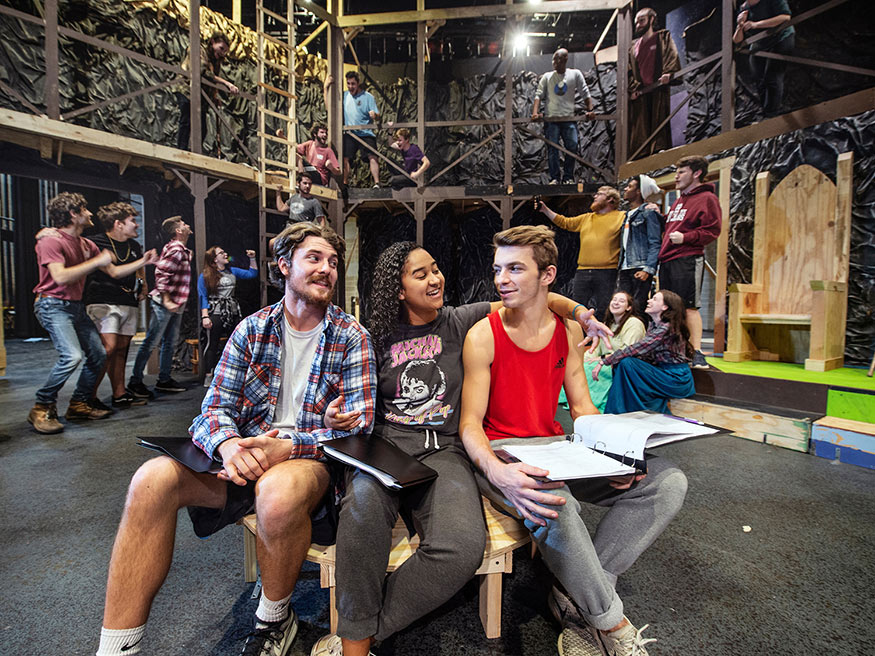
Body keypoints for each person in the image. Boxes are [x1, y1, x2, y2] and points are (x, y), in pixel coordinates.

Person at [311, 241, 611, 656]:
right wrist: (332, 417)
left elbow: (540, 296)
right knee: (361, 513)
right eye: (421, 274)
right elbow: (339, 396)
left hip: (444, 451)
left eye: (436, 269)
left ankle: (366, 631)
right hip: (385, 448)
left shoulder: (458, 319)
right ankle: (355, 647)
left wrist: (580, 313)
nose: (436, 279)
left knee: (461, 546)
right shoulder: (373, 336)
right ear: (397, 289)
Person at [95, 222, 377, 656]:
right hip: (241, 459)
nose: (327, 269)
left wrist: (289, 445)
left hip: (307, 464)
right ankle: (117, 648)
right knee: (150, 480)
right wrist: (228, 445)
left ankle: (273, 620)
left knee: (277, 493)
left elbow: (361, 427)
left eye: (334, 262)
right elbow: (212, 410)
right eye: (315, 258)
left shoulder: (351, 336)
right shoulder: (252, 330)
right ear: (284, 266)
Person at [459, 225, 687, 656]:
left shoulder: (566, 334)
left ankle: (574, 596)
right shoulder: (483, 335)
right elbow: (470, 423)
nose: (501, 279)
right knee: (553, 501)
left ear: (547, 275)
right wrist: (495, 470)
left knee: (667, 481)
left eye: (514, 269)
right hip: (504, 456)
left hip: (557, 449)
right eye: (498, 269)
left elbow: (582, 408)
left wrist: (618, 458)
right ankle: (610, 623)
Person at [28, 193, 157, 434]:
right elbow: (60, 276)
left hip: (75, 307)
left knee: (99, 355)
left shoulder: (87, 245)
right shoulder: (50, 241)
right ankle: (42, 405)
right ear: (73, 214)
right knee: (72, 356)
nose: (90, 214)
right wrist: (96, 262)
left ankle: (79, 403)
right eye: (84, 209)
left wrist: (143, 263)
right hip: (52, 304)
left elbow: (115, 272)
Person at [84, 202, 153, 409]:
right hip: (103, 302)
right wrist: (144, 262)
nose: (136, 225)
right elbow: (113, 272)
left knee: (122, 349)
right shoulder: (96, 243)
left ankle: (120, 393)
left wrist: (143, 286)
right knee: (107, 349)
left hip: (127, 301)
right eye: (132, 221)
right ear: (118, 224)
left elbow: (138, 270)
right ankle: (88, 397)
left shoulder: (134, 246)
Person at [658, 155, 722, 369]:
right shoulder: (679, 200)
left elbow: (713, 230)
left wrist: (686, 237)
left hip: (688, 257)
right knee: (670, 307)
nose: (676, 176)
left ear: (696, 174)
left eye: (682, 171)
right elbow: (675, 224)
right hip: (667, 259)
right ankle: (673, 348)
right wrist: (660, 216)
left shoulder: (707, 199)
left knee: (690, 306)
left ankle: (696, 352)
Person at [594, 290, 695, 414]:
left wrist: (604, 361)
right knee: (624, 363)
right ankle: (621, 411)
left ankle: (620, 411)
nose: (649, 301)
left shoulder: (666, 328)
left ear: (665, 307)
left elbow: (636, 348)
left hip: (675, 379)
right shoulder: (654, 325)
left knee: (627, 363)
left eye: (654, 299)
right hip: (662, 372)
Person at [127, 216, 193, 399]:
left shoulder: (180, 249)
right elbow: (162, 274)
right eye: (184, 224)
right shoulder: (176, 248)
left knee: (168, 343)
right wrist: (166, 299)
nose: (187, 225)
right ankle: (135, 382)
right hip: (165, 304)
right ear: (178, 231)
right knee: (151, 342)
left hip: (175, 304)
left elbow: (164, 268)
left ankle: (164, 380)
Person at [538, 186, 625, 319]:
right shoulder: (587, 218)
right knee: (577, 307)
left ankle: (600, 337)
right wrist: (544, 210)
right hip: (583, 270)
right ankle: (578, 337)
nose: (595, 196)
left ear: (611, 199)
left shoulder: (622, 217)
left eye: (600, 194)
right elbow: (564, 222)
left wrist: (650, 206)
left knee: (604, 308)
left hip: (607, 271)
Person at [531, 48, 594, 185]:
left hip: (568, 118)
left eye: (557, 59)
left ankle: (568, 177)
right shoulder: (548, 77)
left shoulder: (575, 74)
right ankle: (554, 177)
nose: (554, 62)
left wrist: (590, 110)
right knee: (553, 148)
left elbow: (585, 92)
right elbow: (538, 95)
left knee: (572, 146)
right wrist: (535, 112)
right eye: (553, 59)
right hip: (552, 119)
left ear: (563, 60)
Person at [197, 246, 258, 385]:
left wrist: (252, 258)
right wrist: (205, 316)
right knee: (212, 343)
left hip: (232, 311)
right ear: (214, 259)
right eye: (221, 253)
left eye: (225, 252)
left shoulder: (232, 271)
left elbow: (251, 274)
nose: (225, 254)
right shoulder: (206, 275)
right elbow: (203, 296)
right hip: (217, 312)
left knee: (235, 343)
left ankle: (234, 372)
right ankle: (208, 374)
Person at [628, 8, 681, 158]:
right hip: (641, 92)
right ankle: (641, 153)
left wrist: (668, 72)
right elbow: (629, 70)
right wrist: (632, 88)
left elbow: (671, 54)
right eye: (637, 22)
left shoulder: (663, 37)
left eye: (642, 20)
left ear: (651, 20)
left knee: (659, 119)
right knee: (640, 126)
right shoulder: (633, 47)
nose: (638, 25)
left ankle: (659, 148)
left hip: (658, 87)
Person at [176, 30, 239, 152]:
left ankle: (194, 151)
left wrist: (214, 98)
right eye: (221, 48)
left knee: (202, 128)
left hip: (200, 96)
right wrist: (226, 83)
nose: (222, 53)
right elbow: (202, 71)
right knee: (187, 121)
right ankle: (181, 150)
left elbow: (211, 82)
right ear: (213, 42)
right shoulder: (198, 50)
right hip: (186, 89)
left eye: (224, 51)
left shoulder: (216, 61)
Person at [583, 291, 646, 412]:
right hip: (605, 360)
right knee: (581, 365)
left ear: (629, 307)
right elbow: (596, 349)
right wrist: (584, 358)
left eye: (621, 301)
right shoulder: (608, 324)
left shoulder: (634, 323)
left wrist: (602, 359)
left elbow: (628, 351)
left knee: (590, 368)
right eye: (614, 300)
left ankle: (591, 404)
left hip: (621, 364)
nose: (616, 303)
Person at [733, 0, 795, 118]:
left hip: (781, 37)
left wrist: (755, 24)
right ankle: (766, 111)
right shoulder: (744, 8)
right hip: (760, 43)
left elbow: (785, 17)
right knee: (758, 78)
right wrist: (740, 25)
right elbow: (737, 40)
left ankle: (771, 115)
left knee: (772, 77)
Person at [325, 71, 382, 188]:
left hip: (365, 132)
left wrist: (374, 115)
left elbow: (378, 115)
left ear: (358, 83)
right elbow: (329, 107)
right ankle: (345, 183)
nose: (350, 87)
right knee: (346, 157)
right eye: (348, 84)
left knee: (373, 155)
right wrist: (325, 87)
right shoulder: (344, 96)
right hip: (350, 133)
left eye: (353, 84)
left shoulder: (368, 97)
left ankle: (377, 183)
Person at [617, 174, 663, 312]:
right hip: (626, 267)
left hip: (640, 266)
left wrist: (648, 269)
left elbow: (655, 242)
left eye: (630, 186)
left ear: (639, 191)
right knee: (624, 307)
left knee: (638, 307)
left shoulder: (648, 213)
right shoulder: (627, 215)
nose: (626, 188)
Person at [297, 123, 341, 187]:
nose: (325, 135)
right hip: (309, 173)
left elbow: (338, 172)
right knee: (296, 156)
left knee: (301, 160)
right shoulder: (310, 144)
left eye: (326, 133)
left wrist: (331, 168)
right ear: (315, 134)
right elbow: (295, 147)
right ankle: (300, 180)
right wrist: (283, 137)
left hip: (319, 178)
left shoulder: (328, 151)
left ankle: (301, 181)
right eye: (322, 132)